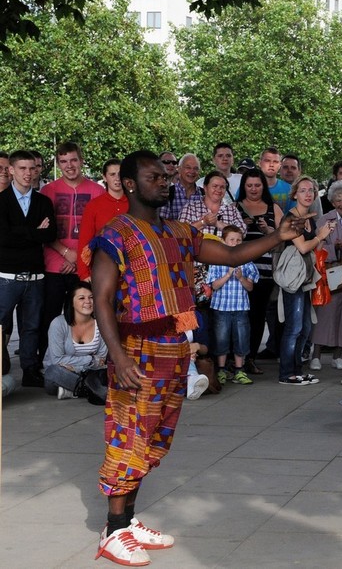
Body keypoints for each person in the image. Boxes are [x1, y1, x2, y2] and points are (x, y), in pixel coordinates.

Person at [90, 151, 307, 566]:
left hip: (174, 347)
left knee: (155, 436)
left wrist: (278, 237)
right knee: (129, 433)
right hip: (137, 350)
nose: (164, 182)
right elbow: (100, 300)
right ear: (131, 184)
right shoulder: (116, 234)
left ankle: (128, 521)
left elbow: (228, 256)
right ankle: (113, 530)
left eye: (164, 176)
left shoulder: (179, 231)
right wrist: (117, 356)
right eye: (154, 177)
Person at [40, 142, 105, 362]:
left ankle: (88, 360)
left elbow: (101, 232)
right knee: (50, 315)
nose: (69, 166)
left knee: (88, 313)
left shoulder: (97, 191)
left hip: (84, 266)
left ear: (81, 160)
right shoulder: (48, 191)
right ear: (58, 164)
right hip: (54, 264)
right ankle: (47, 362)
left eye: (73, 160)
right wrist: (66, 252)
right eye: (64, 161)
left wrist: (78, 258)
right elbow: (44, 231)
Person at [1, 151, 57, 387]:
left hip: (36, 276)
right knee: (0, 324)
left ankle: (30, 370)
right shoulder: (1, 202)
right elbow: (3, 238)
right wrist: (35, 232)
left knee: (32, 327)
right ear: (11, 170)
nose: (28, 173)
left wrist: (21, 232)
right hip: (6, 277)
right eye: (22, 168)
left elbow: (50, 234)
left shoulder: (43, 201)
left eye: (32, 168)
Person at [277, 176, 332, 386]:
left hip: (305, 276)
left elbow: (314, 249)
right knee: (294, 327)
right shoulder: (292, 219)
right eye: (303, 190)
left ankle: (297, 369)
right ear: (295, 194)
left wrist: (322, 236)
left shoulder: (309, 218)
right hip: (293, 277)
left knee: (306, 327)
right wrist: (320, 236)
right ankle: (286, 373)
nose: (308, 194)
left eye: (311, 190)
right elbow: (302, 247)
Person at [235, 168, 284, 375]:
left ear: (263, 186)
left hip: (264, 272)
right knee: (238, 318)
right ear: (243, 187)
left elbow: (283, 238)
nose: (253, 189)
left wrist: (268, 231)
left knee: (257, 318)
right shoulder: (235, 208)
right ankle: (234, 360)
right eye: (249, 185)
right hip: (239, 273)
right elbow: (228, 237)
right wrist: (240, 228)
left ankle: (250, 358)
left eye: (257, 185)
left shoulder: (274, 208)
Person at [309, 180, 342, 371]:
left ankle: (338, 355)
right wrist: (334, 247)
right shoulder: (325, 219)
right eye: (338, 200)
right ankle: (316, 355)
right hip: (330, 272)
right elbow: (317, 245)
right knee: (325, 314)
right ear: (332, 202)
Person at [206, 225, 259, 385]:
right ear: (223, 241)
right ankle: (221, 369)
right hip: (221, 308)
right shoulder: (217, 261)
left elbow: (250, 287)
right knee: (221, 340)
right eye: (231, 240)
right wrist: (228, 274)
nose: (235, 243)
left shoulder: (247, 262)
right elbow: (214, 286)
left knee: (241, 339)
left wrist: (242, 278)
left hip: (240, 308)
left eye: (238, 240)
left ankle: (239, 370)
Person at [43, 281, 107, 399]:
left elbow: (102, 359)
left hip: (91, 373)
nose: (88, 301)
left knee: (107, 373)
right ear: (71, 302)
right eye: (81, 298)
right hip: (63, 374)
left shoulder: (101, 323)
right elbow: (56, 360)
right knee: (52, 372)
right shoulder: (58, 323)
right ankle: (92, 390)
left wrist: (76, 367)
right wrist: (91, 359)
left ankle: (77, 390)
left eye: (91, 297)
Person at [77, 159, 128, 280]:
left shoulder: (134, 203)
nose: (117, 178)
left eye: (120, 174)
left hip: (132, 269)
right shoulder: (94, 205)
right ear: (104, 177)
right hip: (102, 269)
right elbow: (85, 241)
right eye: (112, 174)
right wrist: (84, 274)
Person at [179, 170, 246, 238]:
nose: (219, 190)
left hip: (224, 248)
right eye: (215, 186)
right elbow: (181, 233)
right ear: (205, 188)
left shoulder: (232, 210)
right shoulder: (190, 208)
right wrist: (203, 222)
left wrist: (218, 223)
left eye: (222, 187)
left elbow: (242, 233)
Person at [160, 153, 203, 220]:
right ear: (179, 169)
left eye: (196, 168)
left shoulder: (204, 194)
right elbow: (162, 222)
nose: (192, 171)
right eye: (188, 167)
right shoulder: (169, 193)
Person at [257, 147, 292, 213]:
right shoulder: (248, 188)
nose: (271, 165)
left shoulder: (290, 190)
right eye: (267, 161)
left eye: (275, 162)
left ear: (280, 165)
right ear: (259, 163)